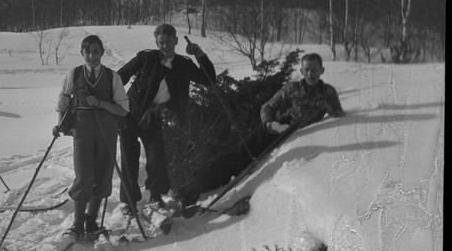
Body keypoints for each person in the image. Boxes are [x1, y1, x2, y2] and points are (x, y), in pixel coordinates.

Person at [174, 53, 344, 206]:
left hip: (294, 136)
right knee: (236, 158)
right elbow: (267, 107)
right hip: (272, 131)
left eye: (314, 70)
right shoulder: (292, 88)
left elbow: (339, 115)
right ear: (301, 70)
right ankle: (194, 188)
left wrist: (328, 107)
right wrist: (271, 124)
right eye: (306, 69)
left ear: (322, 70)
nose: (310, 74)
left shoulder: (328, 92)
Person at [117, 24, 216, 211]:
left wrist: (200, 55)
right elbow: (119, 77)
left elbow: (209, 79)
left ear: (176, 41)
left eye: (168, 41)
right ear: (156, 42)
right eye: (161, 42)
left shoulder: (183, 64)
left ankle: (155, 197)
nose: (165, 46)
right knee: (129, 158)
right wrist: (111, 99)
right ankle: (129, 202)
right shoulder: (146, 58)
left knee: (157, 157)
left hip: (153, 116)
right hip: (130, 113)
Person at [52, 35, 130, 240]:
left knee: (103, 175)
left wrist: (101, 103)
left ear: (102, 53)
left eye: (96, 51)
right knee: (84, 176)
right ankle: (77, 224)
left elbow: (123, 110)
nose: (92, 56)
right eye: (87, 51)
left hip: (107, 130)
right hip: (82, 131)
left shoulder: (113, 77)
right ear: (82, 53)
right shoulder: (74, 74)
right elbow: (63, 100)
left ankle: (91, 221)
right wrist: (59, 124)